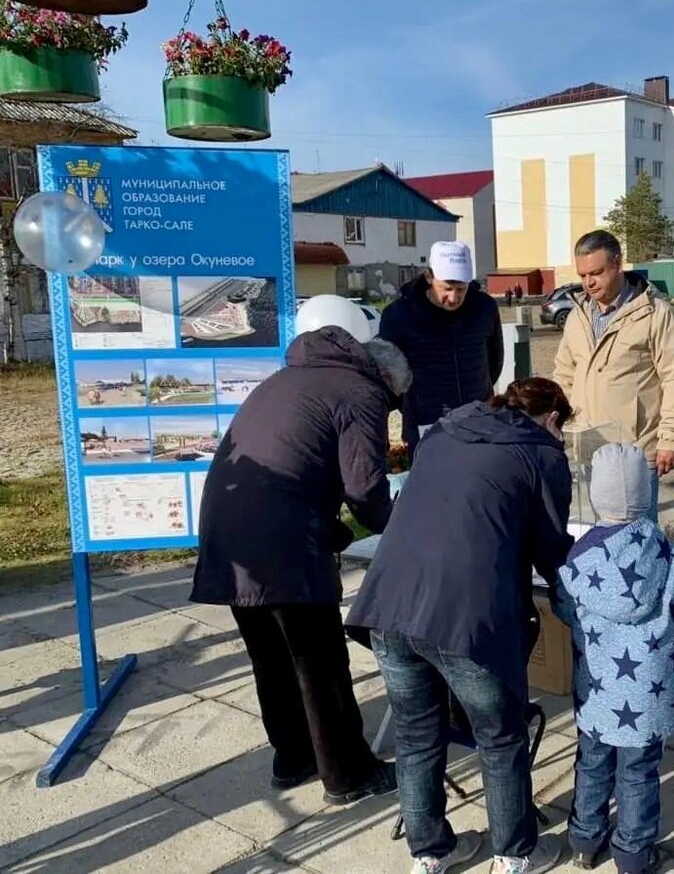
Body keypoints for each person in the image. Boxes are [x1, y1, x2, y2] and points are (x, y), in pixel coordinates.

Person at [347, 377, 575, 874]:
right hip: (467, 620)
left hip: (390, 604)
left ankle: (430, 852)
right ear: (553, 420)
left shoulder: (445, 433)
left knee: (416, 733)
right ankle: (515, 853)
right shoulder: (542, 455)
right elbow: (553, 548)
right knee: (499, 735)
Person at [191, 325, 412, 805]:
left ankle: (292, 758)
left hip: (227, 532)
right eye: (395, 404)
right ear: (386, 382)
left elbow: (300, 464)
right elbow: (364, 490)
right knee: (319, 660)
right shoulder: (360, 392)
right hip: (280, 541)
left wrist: (333, 529)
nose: (390, 413)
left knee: (270, 655)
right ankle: (348, 774)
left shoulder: (291, 377)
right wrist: (408, 530)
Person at [552, 443, 674, 874]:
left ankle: (584, 840)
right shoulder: (669, 554)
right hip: (649, 693)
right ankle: (633, 854)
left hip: (598, 688)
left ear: (597, 493)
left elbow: (563, 609)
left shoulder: (579, 559)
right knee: (638, 773)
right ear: (645, 492)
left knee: (592, 763)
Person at [552, 229, 674, 519]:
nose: (588, 283)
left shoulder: (655, 314)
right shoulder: (578, 316)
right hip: (587, 451)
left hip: (636, 451)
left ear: (618, 263)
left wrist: (670, 438)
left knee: (637, 540)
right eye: (582, 276)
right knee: (596, 538)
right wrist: (555, 425)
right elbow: (564, 375)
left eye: (596, 272)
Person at [379, 240, 503, 451]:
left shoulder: (484, 308)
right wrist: (412, 405)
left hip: (479, 417)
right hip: (426, 422)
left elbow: (494, 361)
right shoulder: (399, 316)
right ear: (429, 277)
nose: (453, 297)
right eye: (446, 288)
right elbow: (388, 375)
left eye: (461, 289)